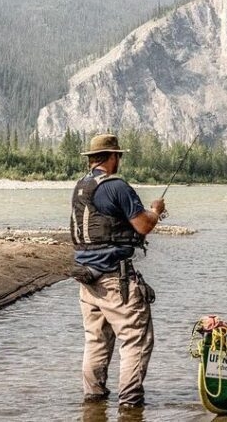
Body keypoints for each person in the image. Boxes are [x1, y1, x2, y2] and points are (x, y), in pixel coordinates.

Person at [70, 133, 165, 407]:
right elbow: (143, 225)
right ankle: (130, 404)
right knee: (136, 339)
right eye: (118, 156)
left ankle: (94, 401)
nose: (119, 160)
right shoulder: (117, 187)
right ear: (113, 157)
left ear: (91, 159)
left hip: (87, 280)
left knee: (96, 341)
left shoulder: (81, 186)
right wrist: (156, 211)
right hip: (115, 280)